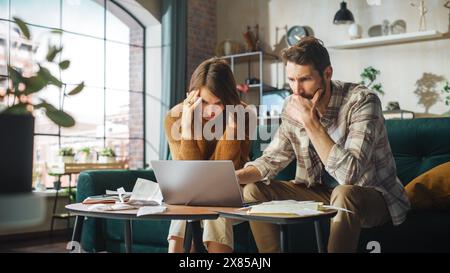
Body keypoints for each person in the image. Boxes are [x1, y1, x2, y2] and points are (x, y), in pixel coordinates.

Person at [236, 37, 410, 253]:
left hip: (372, 195)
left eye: (304, 79)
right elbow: (271, 160)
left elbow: (350, 176)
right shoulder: (293, 104)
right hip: (319, 191)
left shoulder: (362, 101)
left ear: (327, 74)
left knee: (344, 194)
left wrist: (310, 122)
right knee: (253, 191)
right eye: (291, 80)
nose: (296, 90)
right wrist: (231, 179)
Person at [165, 57, 253, 253]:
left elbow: (228, 171)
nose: (211, 110)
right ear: (191, 96)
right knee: (186, 208)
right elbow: (189, 174)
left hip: (231, 194)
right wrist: (187, 128)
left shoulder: (244, 114)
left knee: (215, 203)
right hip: (191, 194)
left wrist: (232, 130)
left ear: (229, 98)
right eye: (203, 102)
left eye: (218, 102)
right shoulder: (175, 118)